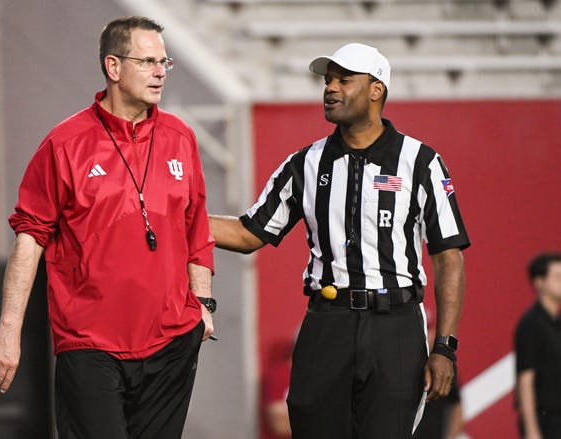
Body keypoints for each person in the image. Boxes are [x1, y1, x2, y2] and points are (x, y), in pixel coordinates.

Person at [209, 42, 470, 438]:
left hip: (395, 326)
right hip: (327, 322)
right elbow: (250, 232)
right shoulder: (306, 162)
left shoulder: (420, 162)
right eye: (327, 80)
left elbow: (448, 257)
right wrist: (177, 219)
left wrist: (445, 347)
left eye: (344, 79)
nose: (330, 88)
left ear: (376, 89)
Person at [0, 16, 216, 439]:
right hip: (89, 346)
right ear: (113, 67)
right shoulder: (64, 143)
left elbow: (195, 226)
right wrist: (8, 331)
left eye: (165, 62)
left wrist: (204, 304)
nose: (161, 72)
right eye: (148, 61)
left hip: (172, 342)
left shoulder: (181, 137)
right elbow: (30, 238)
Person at [515, 253, 561, 438]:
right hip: (546, 419)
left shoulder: (556, 324)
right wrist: (532, 430)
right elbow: (525, 379)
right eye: (557, 277)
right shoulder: (531, 324)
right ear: (539, 282)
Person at [413, 307, 464, 439]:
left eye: (428, 329)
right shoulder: (402, 365)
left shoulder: (443, 366)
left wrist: (450, 436)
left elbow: (456, 405)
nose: (425, 334)